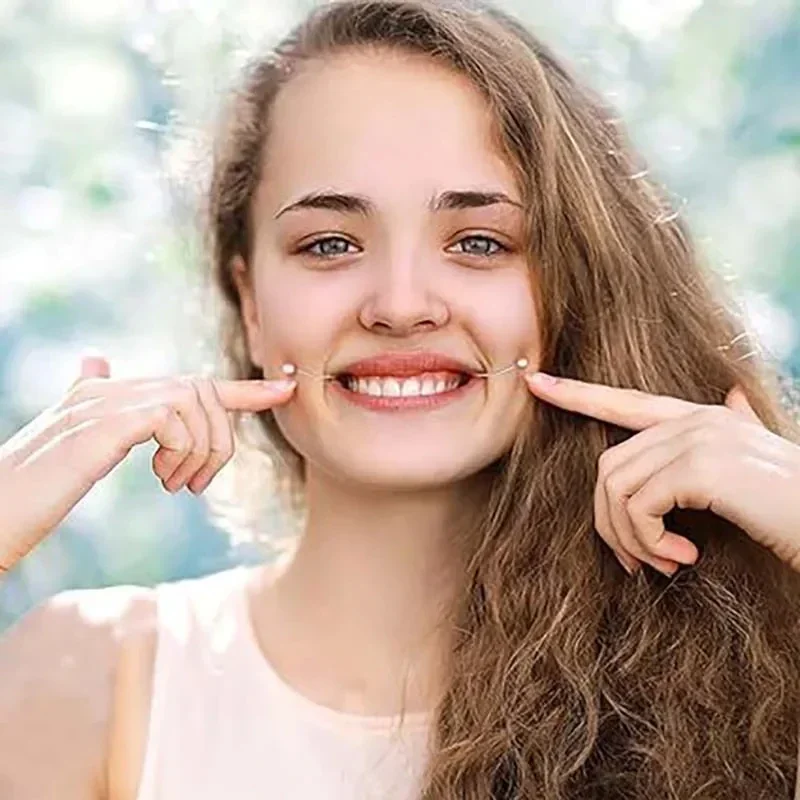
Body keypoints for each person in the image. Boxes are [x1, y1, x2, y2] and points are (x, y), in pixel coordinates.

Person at [2, 0, 800, 797]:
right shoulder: (90, 676)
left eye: (479, 242)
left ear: (571, 288)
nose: (401, 303)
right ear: (249, 302)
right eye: (330, 244)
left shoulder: (755, 683)